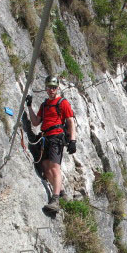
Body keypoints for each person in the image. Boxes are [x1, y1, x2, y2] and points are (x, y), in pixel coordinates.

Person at [26, 75, 77, 213]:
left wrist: (73, 140)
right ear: (46, 88)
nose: (51, 90)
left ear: (57, 88)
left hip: (56, 138)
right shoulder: (44, 105)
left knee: (55, 168)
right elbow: (36, 122)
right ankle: (61, 192)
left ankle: (55, 200)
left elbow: (70, 121)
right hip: (45, 138)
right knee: (45, 168)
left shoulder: (63, 103)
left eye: (54, 88)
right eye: (49, 87)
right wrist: (29, 107)